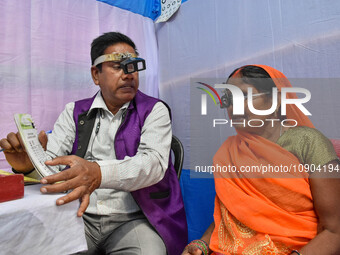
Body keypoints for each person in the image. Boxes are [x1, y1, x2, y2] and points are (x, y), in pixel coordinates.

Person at [0, 32, 187, 255]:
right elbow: (53, 169)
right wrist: (28, 165)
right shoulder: (74, 112)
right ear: (95, 75)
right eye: (118, 66)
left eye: (133, 66)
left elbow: (153, 165)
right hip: (78, 216)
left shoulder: (154, 110)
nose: (129, 75)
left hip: (135, 219)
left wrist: (97, 173)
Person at [182, 65, 340, 255]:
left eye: (245, 96)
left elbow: (333, 230)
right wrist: (202, 244)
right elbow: (231, 214)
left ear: (277, 99)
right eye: (229, 100)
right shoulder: (232, 151)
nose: (234, 107)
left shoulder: (309, 143)